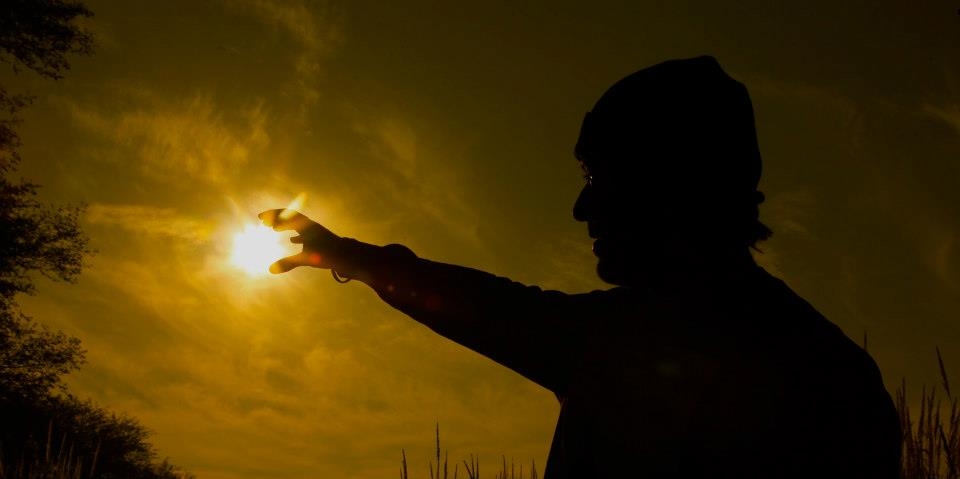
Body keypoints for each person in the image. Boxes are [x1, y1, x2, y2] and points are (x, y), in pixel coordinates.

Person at [260, 56, 901, 478]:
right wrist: (347, 255)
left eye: (601, 176)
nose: (580, 208)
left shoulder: (625, 347)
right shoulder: (829, 370)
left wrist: (349, 256)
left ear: (675, 179)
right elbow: (480, 304)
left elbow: (487, 308)